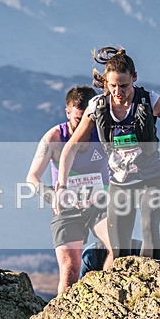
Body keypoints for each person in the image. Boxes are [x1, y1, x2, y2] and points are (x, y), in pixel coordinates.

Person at [57, 47, 160, 263]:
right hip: (120, 183)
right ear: (105, 82)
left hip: (152, 178)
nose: (118, 92)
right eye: (112, 86)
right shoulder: (97, 107)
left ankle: (154, 277)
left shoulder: (150, 101)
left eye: (124, 86)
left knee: (149, 227)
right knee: (119, 248)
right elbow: (71, 147)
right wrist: (62, 185)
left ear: (134, 78)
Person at [26, 86, 112, 295]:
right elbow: (32, 178)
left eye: (88, 119)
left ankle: (105, 300)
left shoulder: (103, 132)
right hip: (67, 207)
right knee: (70, 271)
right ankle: (63, 312)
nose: (84, 125)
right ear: (67, 113)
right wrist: (53, 196)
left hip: (100, 204)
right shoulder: (54, 138)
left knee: (117, 249)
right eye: (77, 119)